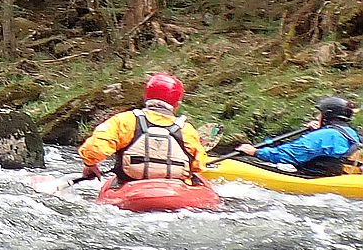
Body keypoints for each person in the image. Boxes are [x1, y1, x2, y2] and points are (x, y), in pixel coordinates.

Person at [78, 72, 207, 185]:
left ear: (146, 98)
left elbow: (93, 148)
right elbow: (198, 165)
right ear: (176, 104)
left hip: (131, 186)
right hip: (174, 189)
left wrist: (90, 164)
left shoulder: (125, 120)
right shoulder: (187, 129)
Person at [233, 96, 363, 177]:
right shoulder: (350, 133)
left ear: (327, 115)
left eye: (319, 114)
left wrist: (255, 152)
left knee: (250, 163)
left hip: (315, 179)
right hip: (337, 177)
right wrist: (316, 131)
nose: (317, 117)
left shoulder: (325, 135)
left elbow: (289, 155)